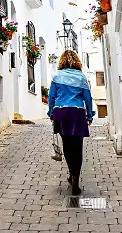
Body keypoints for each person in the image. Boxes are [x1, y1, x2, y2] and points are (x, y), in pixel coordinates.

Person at [48, 50, 95, 195]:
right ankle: (76, 178)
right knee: (77, 147)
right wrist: (89, 115)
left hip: (61, 112)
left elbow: (51, 97)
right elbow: (88, 98)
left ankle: (71, 173)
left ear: (62, 61)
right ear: (77, 61)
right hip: (77, 113)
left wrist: (51, 113)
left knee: (67, 146)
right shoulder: (81, 77)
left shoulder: (57, 76)